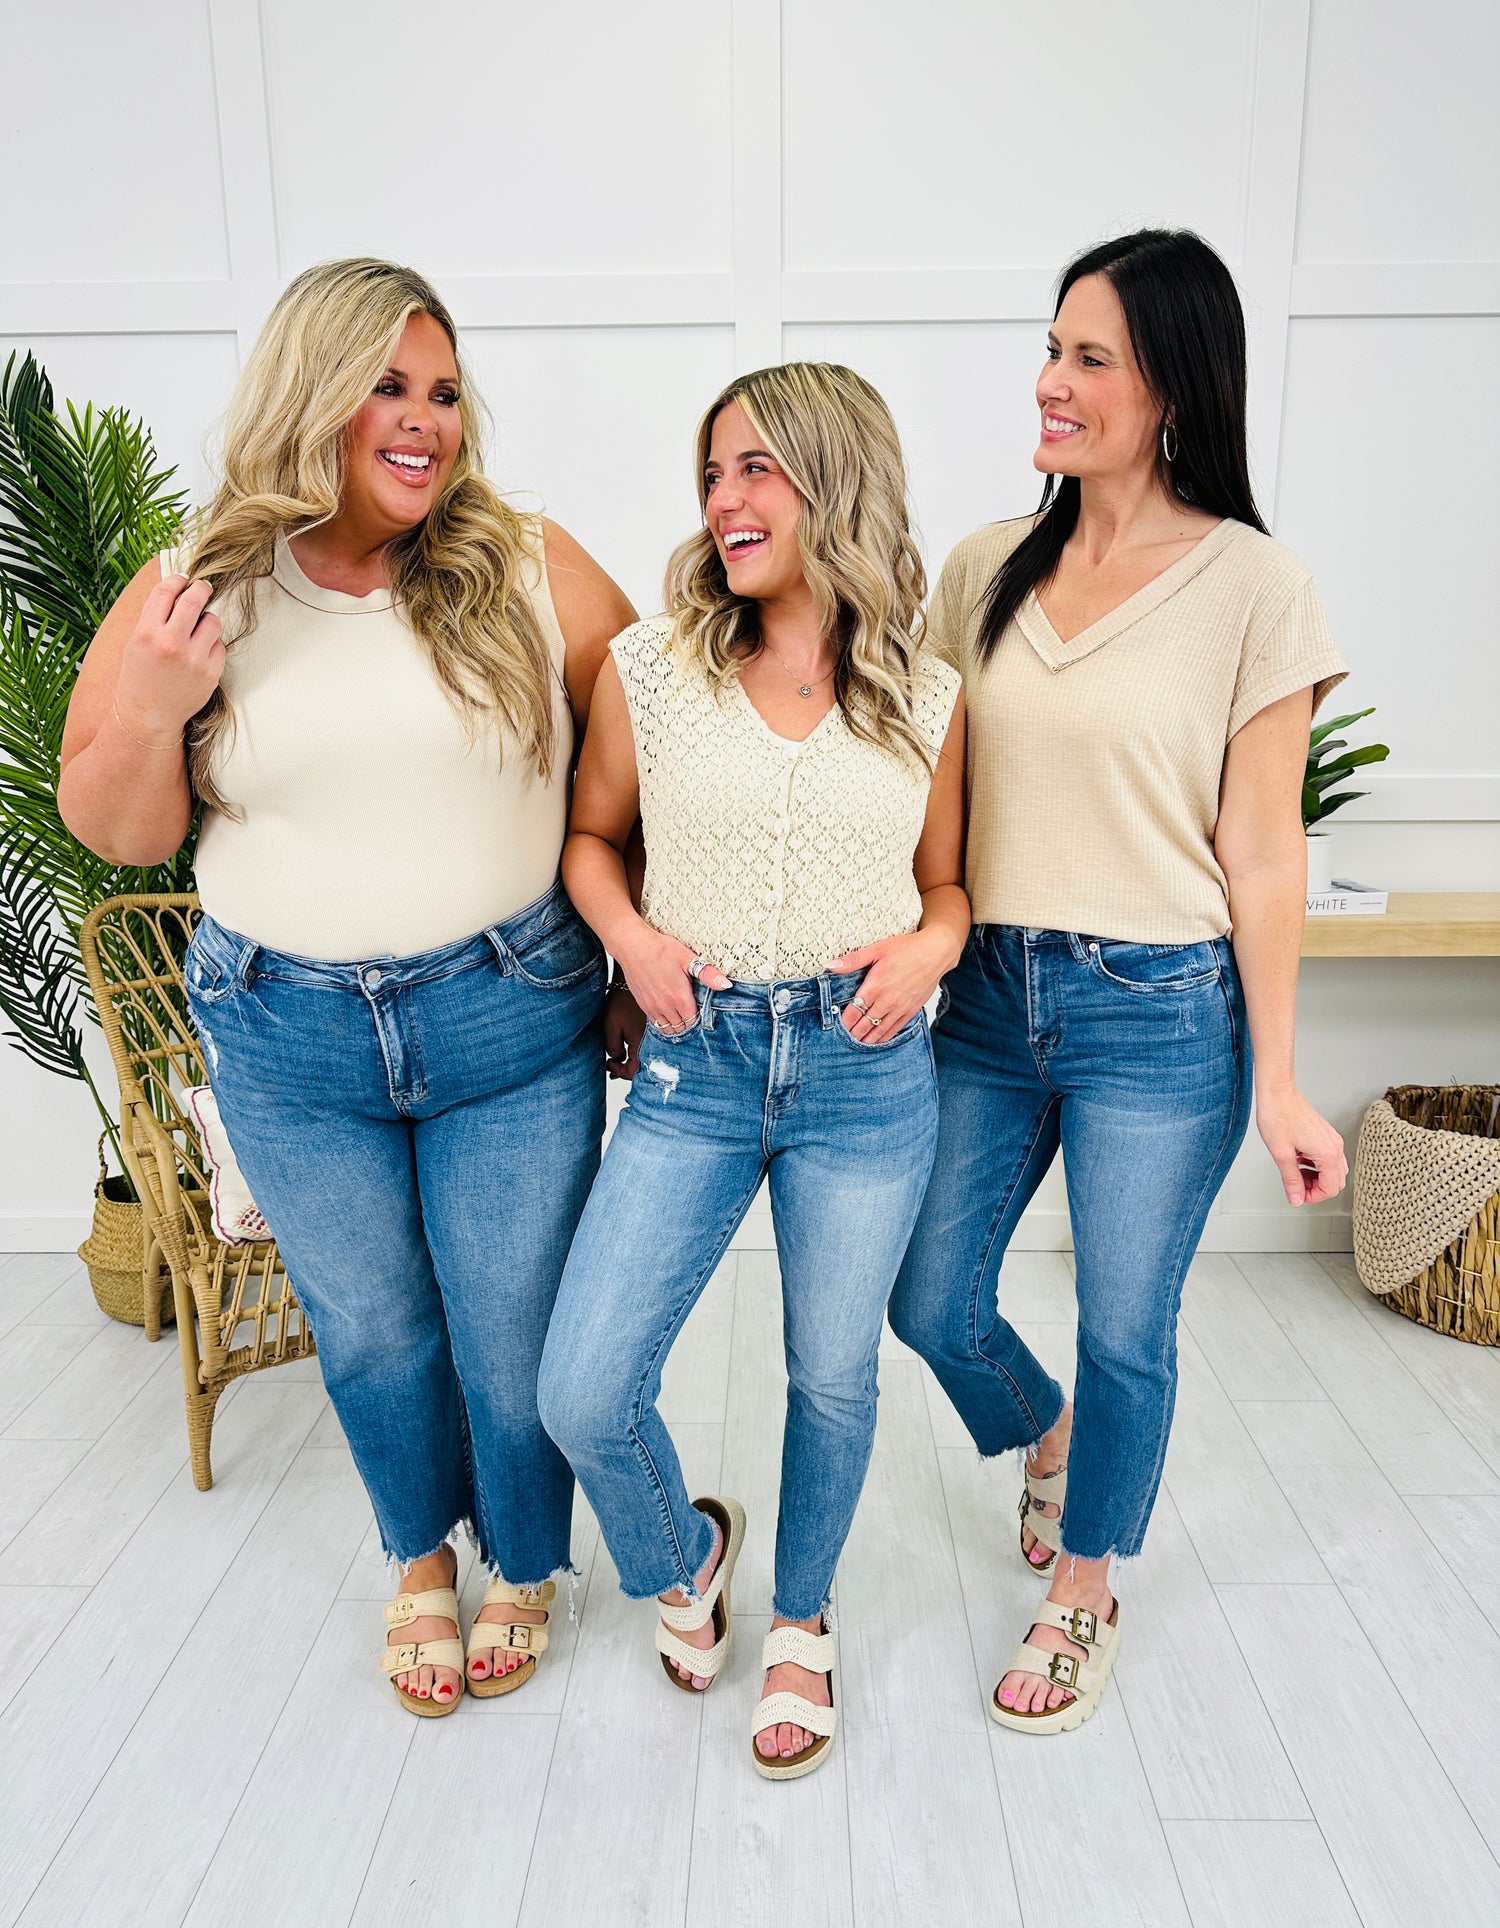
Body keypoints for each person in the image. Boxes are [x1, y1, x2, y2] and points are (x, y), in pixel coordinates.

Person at [58, 258, 638, 1716]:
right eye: (388, 387)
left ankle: (525, 1562)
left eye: (443, 392)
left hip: (510, 1017)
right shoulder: (196, 590)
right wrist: (155, 702)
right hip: (287, 1037)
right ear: (310, 391)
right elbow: (118, 830)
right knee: (374, 1333)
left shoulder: (528, 564)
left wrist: (637, 946)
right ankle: (419, 1558)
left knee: (514, 1333)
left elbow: (653, 756)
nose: (425, 421)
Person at [889, 229, 1349, 1734]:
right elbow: (917, 787)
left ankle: (1084, 1584)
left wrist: (1280, 1080)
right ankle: (1052, 1436)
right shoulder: (982, 572)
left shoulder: (1256, 587)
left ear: (1174, 391)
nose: (1051, 382)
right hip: (987, 996)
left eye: (1090, 359)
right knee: (928, 1294)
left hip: (1160, 1012)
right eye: (1052, 349)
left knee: (1125, 1323)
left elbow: (1263, 849)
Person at [538, 361, 968, 1777]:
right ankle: (684, 1559)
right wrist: (632, 944)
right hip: (698, 1060)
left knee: (833, 1375)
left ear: (836, 479)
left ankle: (804, 1618)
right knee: (584, 1386)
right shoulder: (652, 670)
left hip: (866, 1068)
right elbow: (591, 840)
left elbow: (948, 887)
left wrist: (931, 950)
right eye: (713, 472)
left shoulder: (928, 694)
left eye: (756, 469)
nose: (725, 499)